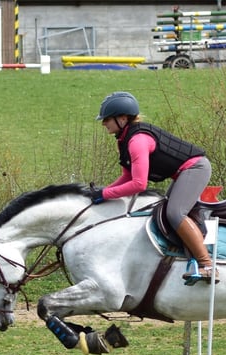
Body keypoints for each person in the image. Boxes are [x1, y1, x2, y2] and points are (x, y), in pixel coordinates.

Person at [89, 91, 218, 284]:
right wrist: (104, 193)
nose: (103, 123)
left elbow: (139, 184)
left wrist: (105, 193)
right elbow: (127, 176)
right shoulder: (124, 140)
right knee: (165, 210)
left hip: (196, 168)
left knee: (175, 213)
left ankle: (207, 265)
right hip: (183, 172)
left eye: (107, 119)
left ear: (122, 119)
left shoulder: (136, 141)